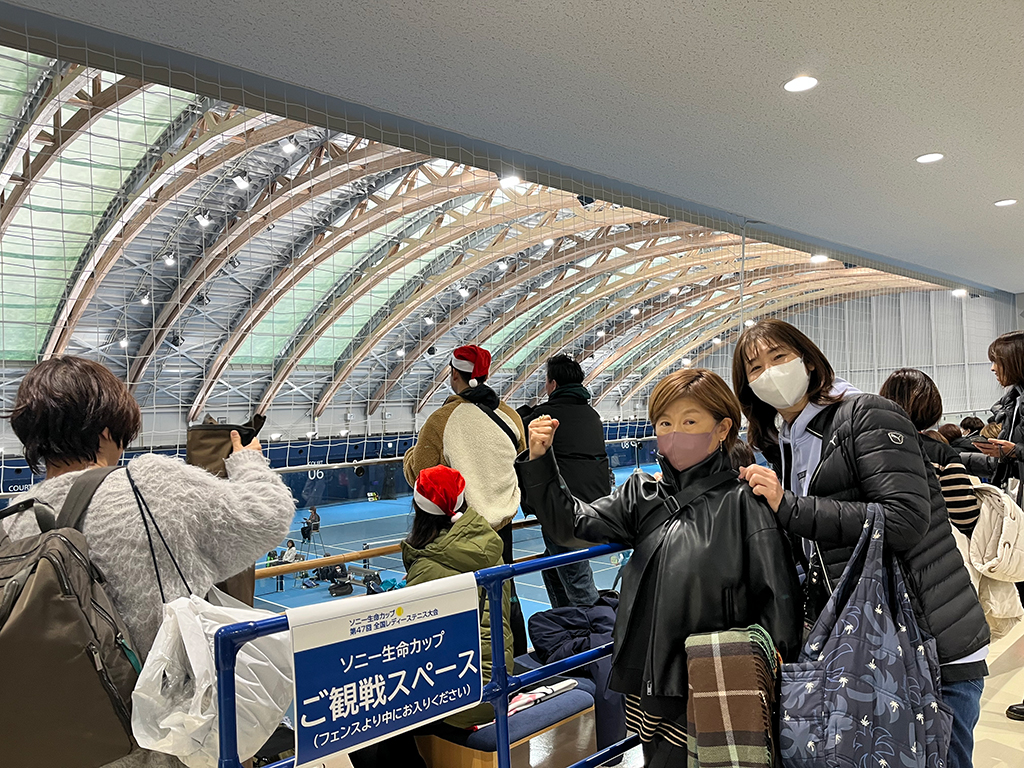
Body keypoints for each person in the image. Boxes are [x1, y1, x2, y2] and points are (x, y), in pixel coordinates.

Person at [1, 356, 295, 768]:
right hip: (173, 745)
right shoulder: (149, 484)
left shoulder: (14, 520)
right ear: (106, 430)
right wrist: (249, 463)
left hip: (71, 744)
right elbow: (267, 516)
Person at [731, 319, 989, 768]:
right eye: (755, 368)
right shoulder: (787, 443)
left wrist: (790, 506)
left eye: (779, 357)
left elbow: (905, 520)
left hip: (928, 636)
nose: (769, 372)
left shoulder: (867, 413)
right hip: (868, 642)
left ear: (809, 362)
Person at [517, 368, 802, 766]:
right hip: (649, 684)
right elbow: (571, 525)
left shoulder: (745, 503)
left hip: (714, 682)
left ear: (722, 428)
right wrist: (541, 460)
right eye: (665, 423)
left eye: (690, 422)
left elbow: (779, 601)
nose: (675, 433)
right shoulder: (641, 494)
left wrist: (773, 680)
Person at [352, 466, 513, 768]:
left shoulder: (430, 565)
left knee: (367, 718)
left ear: (419, 511)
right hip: (496, 677)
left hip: (466, 694)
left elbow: (411, 641)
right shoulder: (488, 545)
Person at [403, 345, 528, 650]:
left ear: (454, 374)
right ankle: (516, 661)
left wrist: (409, 457)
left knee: (464, 607)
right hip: (502, 530)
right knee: (506, 598)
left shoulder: (441, 420)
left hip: (459, 531)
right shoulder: (510, 416)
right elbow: (520, 460)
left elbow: (423, 477)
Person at [961, 330, 1024, 721]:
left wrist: (1014, 451)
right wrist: (958, 454)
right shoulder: (1011, 405)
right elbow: (1003, 464)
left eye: (997, 361)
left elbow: (1014, 457)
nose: (992, 369)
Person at [521, 354, 606, 608]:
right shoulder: (591, 415)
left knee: (579, 584)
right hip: (596, 508)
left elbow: (521, 438)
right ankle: (566, 620)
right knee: (552, 568)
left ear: (553, 384)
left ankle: (596, 627)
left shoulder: (545, 418)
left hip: (564, 512)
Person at [880, 368, 982, 535]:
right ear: (931, 405)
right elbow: (965, 519)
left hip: (874, 545)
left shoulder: (862, 448)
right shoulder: (941, 454)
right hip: (931, 544)